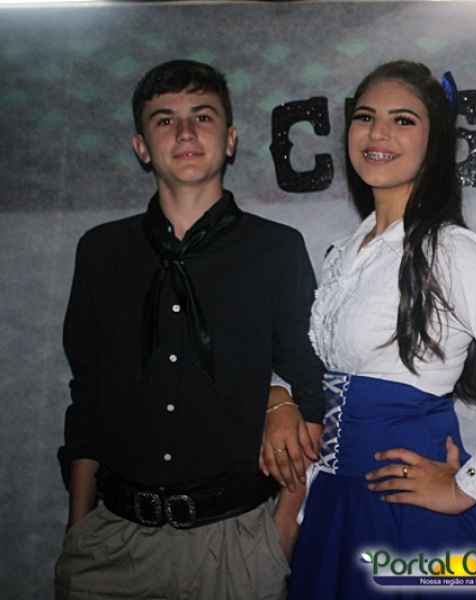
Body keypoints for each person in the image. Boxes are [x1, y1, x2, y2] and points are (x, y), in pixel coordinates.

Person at [261, 61, 476, 599]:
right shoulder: (347, 252)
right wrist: (280, 395)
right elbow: (316, 366)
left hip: (409, 520)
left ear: (434, 144)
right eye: (366, 117)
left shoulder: (448, 249)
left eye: (403, 120)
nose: (378, 133)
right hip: (335, 508)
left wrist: (470, 486)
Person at [55, 59, 324, 600]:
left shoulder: (276, 249)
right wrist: (77, 532)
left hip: (237, 546)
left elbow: (313, 390)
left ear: (230, 140)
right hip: (110, 544)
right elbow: (86, 400)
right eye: (165, 120)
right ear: (141, 147)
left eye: (202, 117)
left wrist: (280, 535)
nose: (184, 133)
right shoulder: (102, 251)